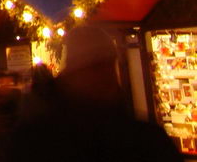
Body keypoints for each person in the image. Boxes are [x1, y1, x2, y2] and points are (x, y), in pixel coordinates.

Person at [10, 25, 182, 162]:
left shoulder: (35, 137)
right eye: (95, 67)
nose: (104, 76)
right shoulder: (143, 138)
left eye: (107, 65)